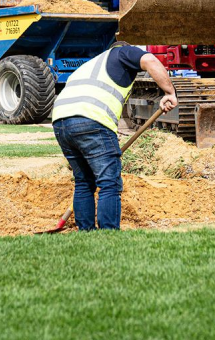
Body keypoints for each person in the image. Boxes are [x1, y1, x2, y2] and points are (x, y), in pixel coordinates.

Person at [51, 42, 177, 231]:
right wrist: (169, 92)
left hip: (61, 121)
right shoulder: (122, 52)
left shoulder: (90, 66)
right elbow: (150, 59)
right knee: (109, 181)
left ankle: (85, 233)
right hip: (91, 119)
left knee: (84, 181)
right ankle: (109, 234)